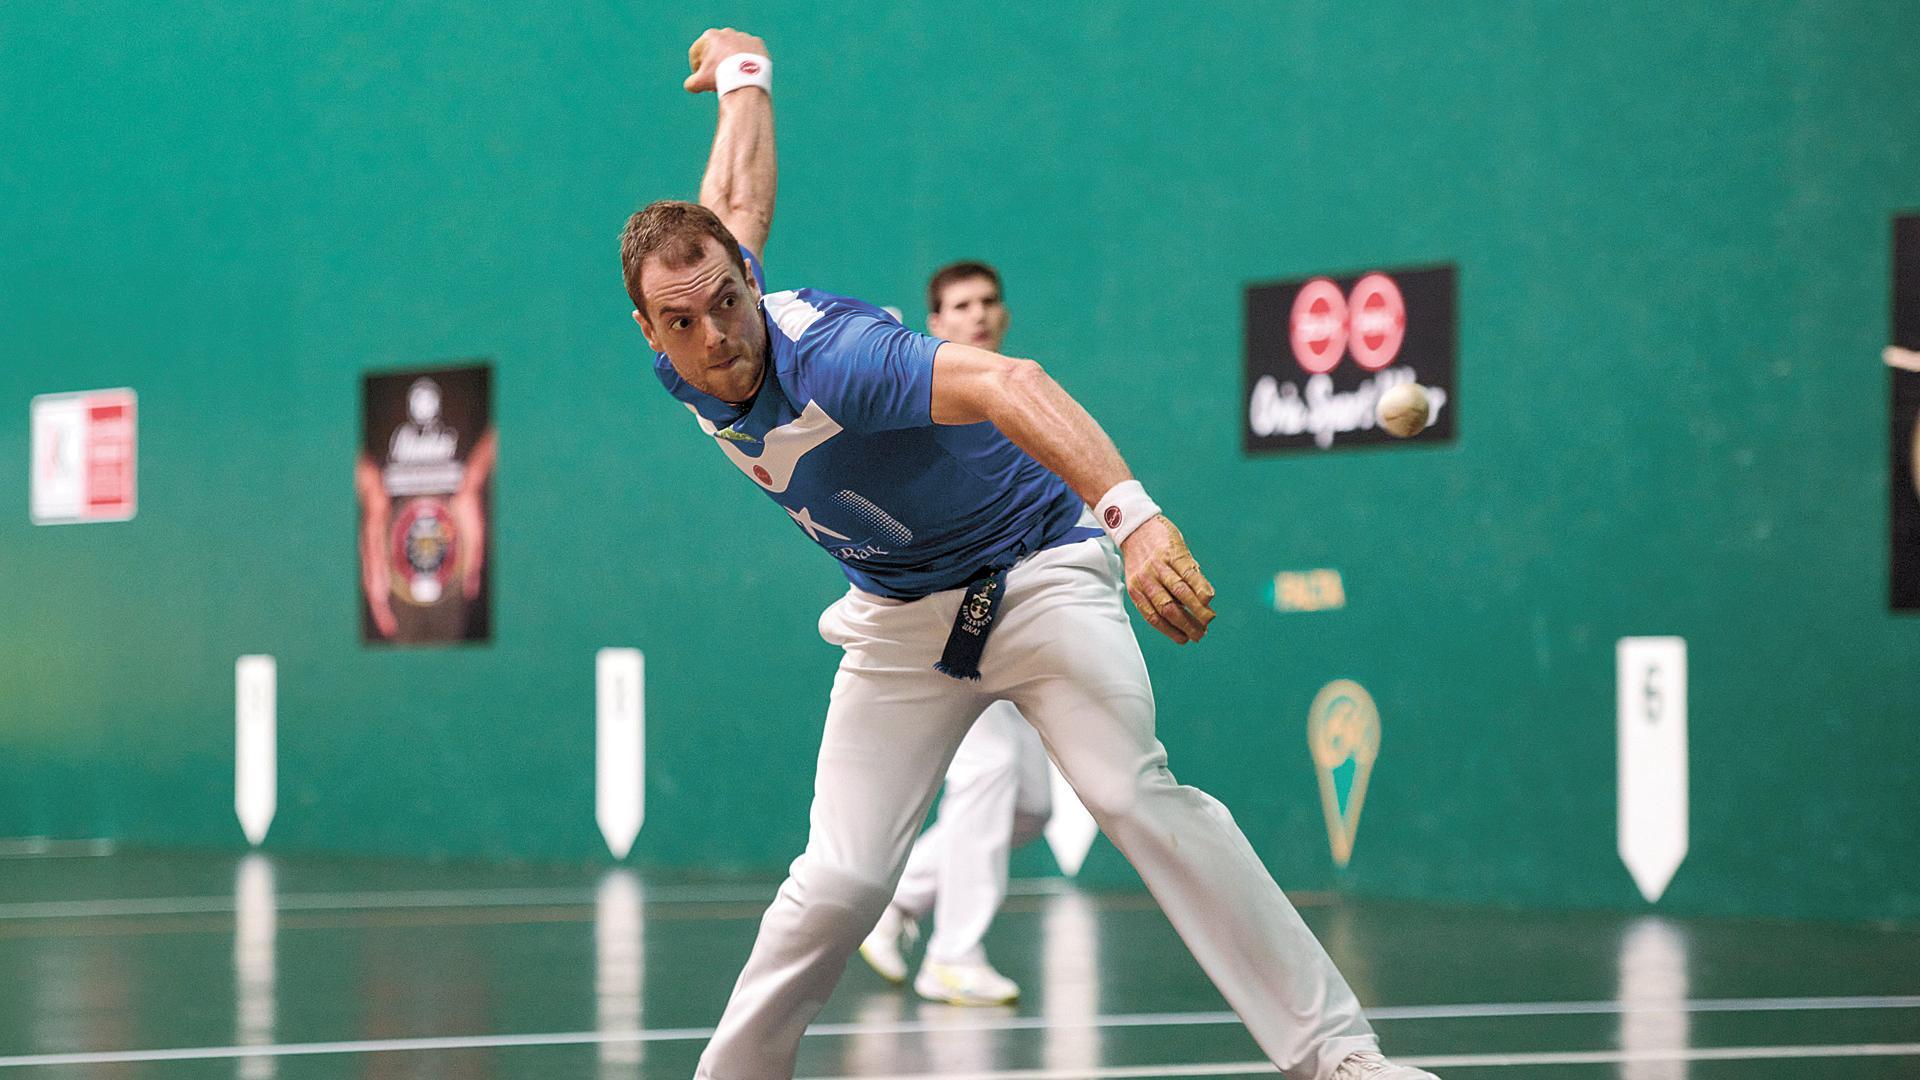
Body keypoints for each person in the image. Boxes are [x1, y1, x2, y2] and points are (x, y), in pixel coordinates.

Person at [622, 27, 1441, 1080]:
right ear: (652, 332)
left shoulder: (838, 359)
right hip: (898, 621)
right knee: (837, 883)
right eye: (684, 321)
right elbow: (730, 206)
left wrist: (1134, 516)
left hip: (1037, 574)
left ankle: (1342, 1059)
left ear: (747, 287)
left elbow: (1013, 385)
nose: (719, 335)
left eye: (728, 301)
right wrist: (745, 77)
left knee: (1132, 794)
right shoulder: (690, 342)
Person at [855, 261, 1054, 1007]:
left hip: (1019, 610)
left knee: (1030, 805)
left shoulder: (1025, 394)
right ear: (934, 323)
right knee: (990, 774)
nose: (978, 314)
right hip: (945, 611)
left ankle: (899, 899)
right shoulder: (924, 400)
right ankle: (955, 955)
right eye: (960, 306)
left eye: (988, 302)